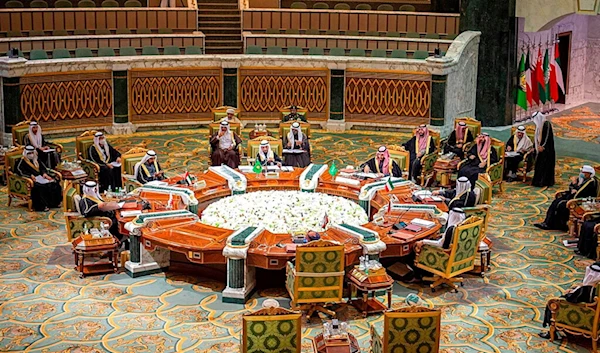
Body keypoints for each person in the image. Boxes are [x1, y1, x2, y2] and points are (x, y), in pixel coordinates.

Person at [539, 262, 600, 339]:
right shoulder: (596, 288)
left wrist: (569, 293)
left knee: (552, 304)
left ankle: (552, 333)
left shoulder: (587, 290)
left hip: (585, 311)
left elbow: (571, 299)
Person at [402, 208, 467, 282]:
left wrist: (423, 242)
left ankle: (419, 276)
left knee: (414, 248)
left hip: (443, 255)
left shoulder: (451, 229)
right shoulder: (463, 227)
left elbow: (440, 244)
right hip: (457, 255)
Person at [535, 165, 598, 231]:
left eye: (583, 172)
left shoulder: (591, 182)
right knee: (556, 202)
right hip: (573, 196)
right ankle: (548, 223)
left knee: (561, 204)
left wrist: (575, 185)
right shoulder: (582, 179)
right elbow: (572, 188)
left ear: (588, 173)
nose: (581, 173)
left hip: (581, 200)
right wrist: (574, 186)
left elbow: (580, 191)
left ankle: (558, 225)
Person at [16, 145, 62, 212]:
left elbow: (43, 168)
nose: (31, 155)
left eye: (32, 153)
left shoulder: (36, 159)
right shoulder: (21, 161)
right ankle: (42, 206)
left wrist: (44, 174)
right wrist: (30, 176)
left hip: (41, 177)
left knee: (54, 182)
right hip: (30, 180)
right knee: (39, 187)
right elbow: (19, 171)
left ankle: (54, 203)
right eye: (29, 153)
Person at [531, 111, 556, 187]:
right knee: (539, 165)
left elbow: (547, 137)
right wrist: (535, 147)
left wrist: (543, 146)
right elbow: (537, 137)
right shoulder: (539, 125)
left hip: (547, 150)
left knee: (545, 165)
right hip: (540, 149)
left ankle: (544, 182)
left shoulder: (546, 124)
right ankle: (538, 181)